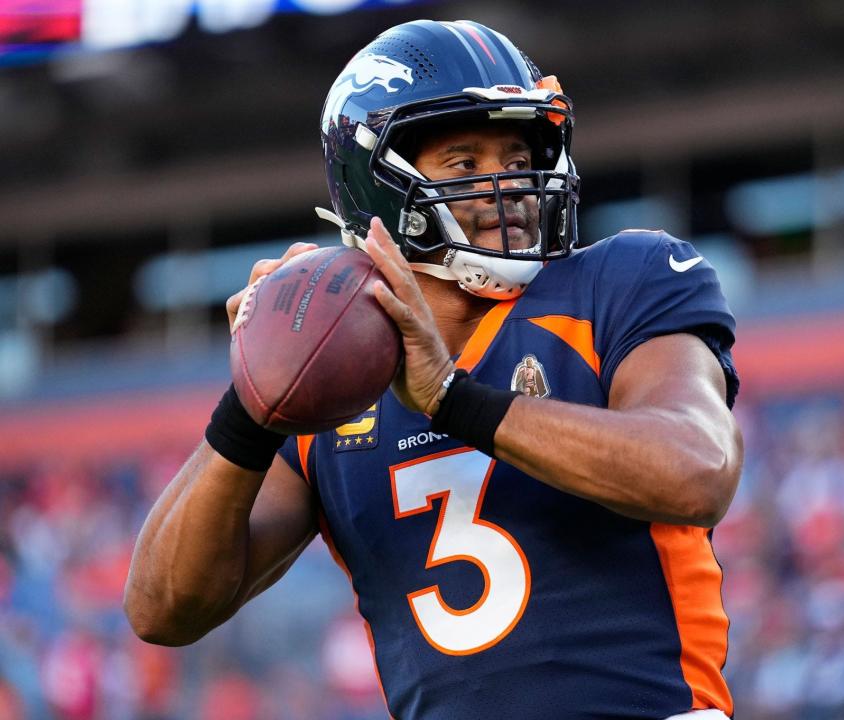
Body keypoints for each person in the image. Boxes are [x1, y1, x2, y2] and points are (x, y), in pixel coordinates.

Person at [124, 19, 743, 720]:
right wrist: (254, 398)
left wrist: (453, 399)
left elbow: (697, 470)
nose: (505, 183)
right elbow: (161, 608)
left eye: (517, 154)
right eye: (464, 162)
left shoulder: (622, 279)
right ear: (378, 187)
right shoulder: (333, 376)